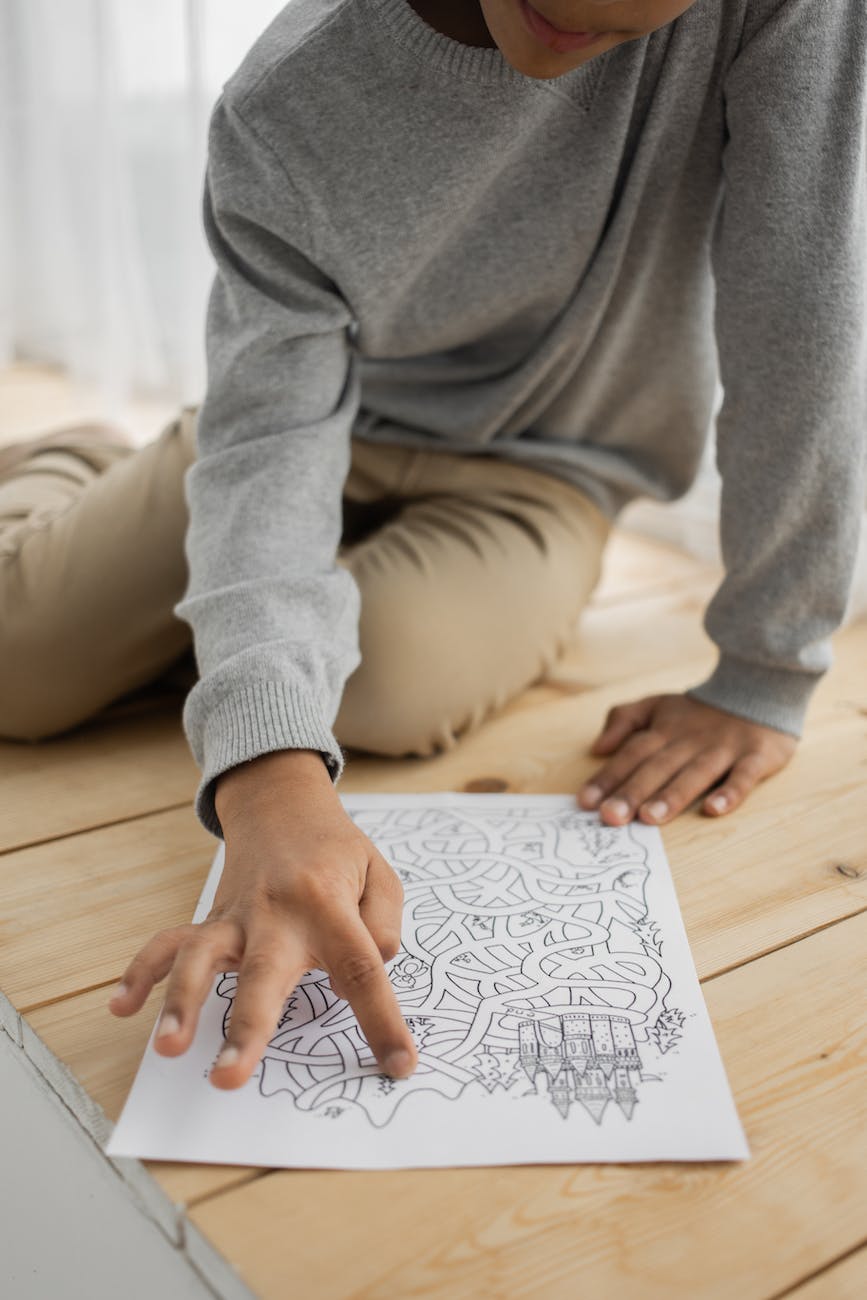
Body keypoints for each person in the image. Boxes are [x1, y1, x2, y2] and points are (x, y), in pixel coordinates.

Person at [1, 0, 864, 1091]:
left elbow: (802, 318)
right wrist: (265, 776)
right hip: (314, 414)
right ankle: (73, 457)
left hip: (548, 465)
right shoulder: (292, 98)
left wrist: (766, 667)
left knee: (385, 688)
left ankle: (226, 591)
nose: (579, 32)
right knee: (19, 665)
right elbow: (271, 437)